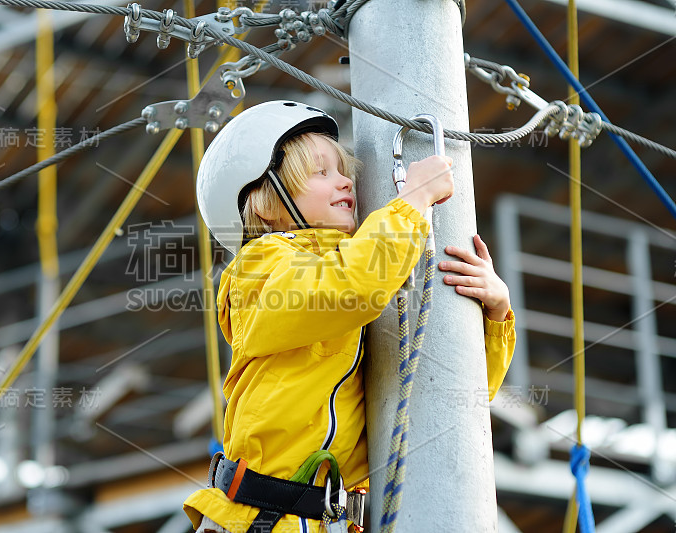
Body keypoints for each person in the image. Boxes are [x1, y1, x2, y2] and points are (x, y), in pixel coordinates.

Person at [183, 101, 515, 533]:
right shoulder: (257, 270)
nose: (345, 182)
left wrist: (494, 314)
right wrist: (412, 201)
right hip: (264, 520)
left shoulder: (366, 278)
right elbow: (347, 287)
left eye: (343, 171)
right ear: (265, 203)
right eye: (322, 172)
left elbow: (447, 402)